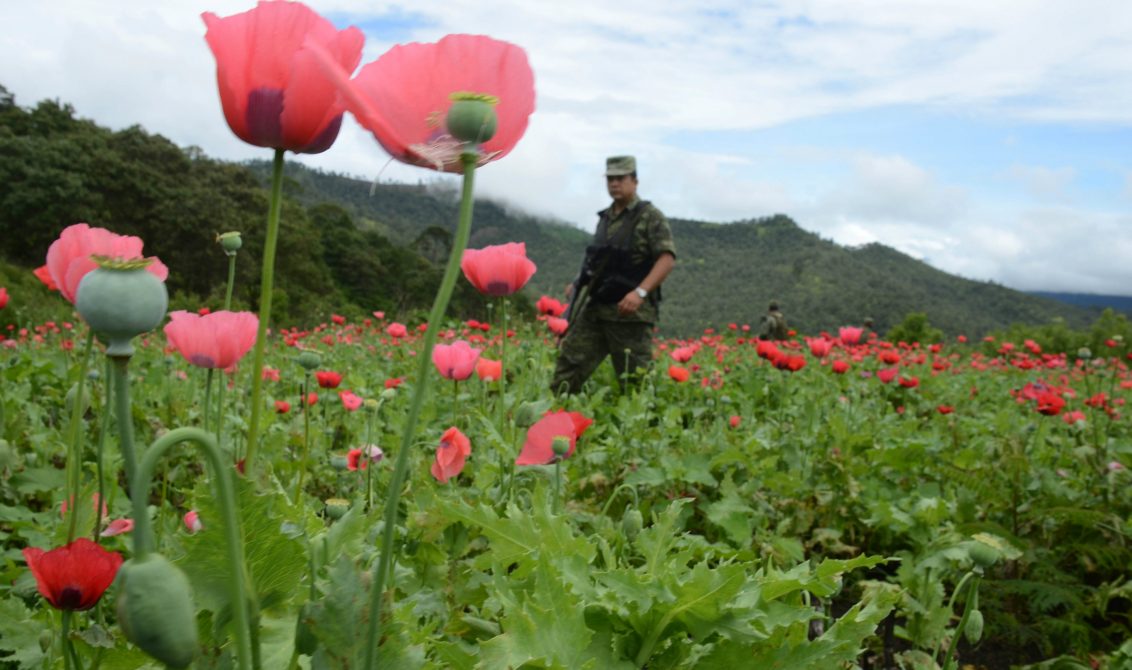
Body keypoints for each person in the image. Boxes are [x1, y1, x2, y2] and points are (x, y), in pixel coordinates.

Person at [551, 156, 676, 394]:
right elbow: (599, 259)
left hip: (630, 313)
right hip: (597, 308)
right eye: (610, 179)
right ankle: (558, 417)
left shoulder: (650, 216)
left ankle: (642, 427)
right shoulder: (605, 218)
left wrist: (640, 292)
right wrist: (578, 283)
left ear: (635, 181)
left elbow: (666, 258)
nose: (614, 183)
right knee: (568, 368)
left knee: (636, 382)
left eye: (620, 178)